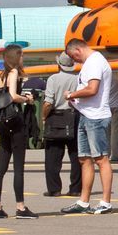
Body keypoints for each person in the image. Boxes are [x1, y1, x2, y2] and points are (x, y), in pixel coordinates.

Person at [60, 38, 115, 215]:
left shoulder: (94, 62)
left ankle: (106, 202)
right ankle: (83, 201)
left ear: (77, 50)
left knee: (101, 159)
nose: (74, 61)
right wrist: (76, 100)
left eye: (73, 57)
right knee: (84, 159)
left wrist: (72, 95)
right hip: (86, 114)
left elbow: (92, 89)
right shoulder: (90, 62)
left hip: (96, 117)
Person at [0, 44, 38, 219]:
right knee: (18, 167)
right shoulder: (14, 72)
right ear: (16, 57)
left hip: (2, 122)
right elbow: (12, 96)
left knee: (1, 165)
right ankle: (20, 207)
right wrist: (27, 99)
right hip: (14, 121)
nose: (23, 58)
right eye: (21, 55)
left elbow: (2, 95)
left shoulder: (2, 75)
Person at [42, 52, 82, 197]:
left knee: (52, 156)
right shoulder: (77, 79)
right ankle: (76, 188)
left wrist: (44, 116)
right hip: (74, 116)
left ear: (59, 64)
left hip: (56, 117)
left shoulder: (53, 79)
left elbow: (48, 102)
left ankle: (54, 189)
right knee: (76, 155)